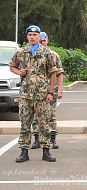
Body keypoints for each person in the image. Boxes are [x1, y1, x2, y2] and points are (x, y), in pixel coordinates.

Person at [9, 25, 57, 162]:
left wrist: (50, 92)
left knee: (43, 123)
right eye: (30, 35)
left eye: (35, 35)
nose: (32, 37)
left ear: (39, 37)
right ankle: (24, 152)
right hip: (25, 95)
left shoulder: (47, 53)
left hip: (42, 94)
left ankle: (46, 151)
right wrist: (19, 72)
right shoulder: (21, 52)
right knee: (25, 123)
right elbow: (11, 65)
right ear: (27, 36)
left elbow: (53, 73)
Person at [31, 31, 64, 149]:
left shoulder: (53, 54)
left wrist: (60, 89)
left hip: (51, 90)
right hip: (35, 90)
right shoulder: (32, 53)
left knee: (51, 114)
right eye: (41, 40)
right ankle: (36, 139)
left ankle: (52, 139)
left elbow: (60, 74)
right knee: (36, 115)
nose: (42, 42)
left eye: (44, 40)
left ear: (47, 41)